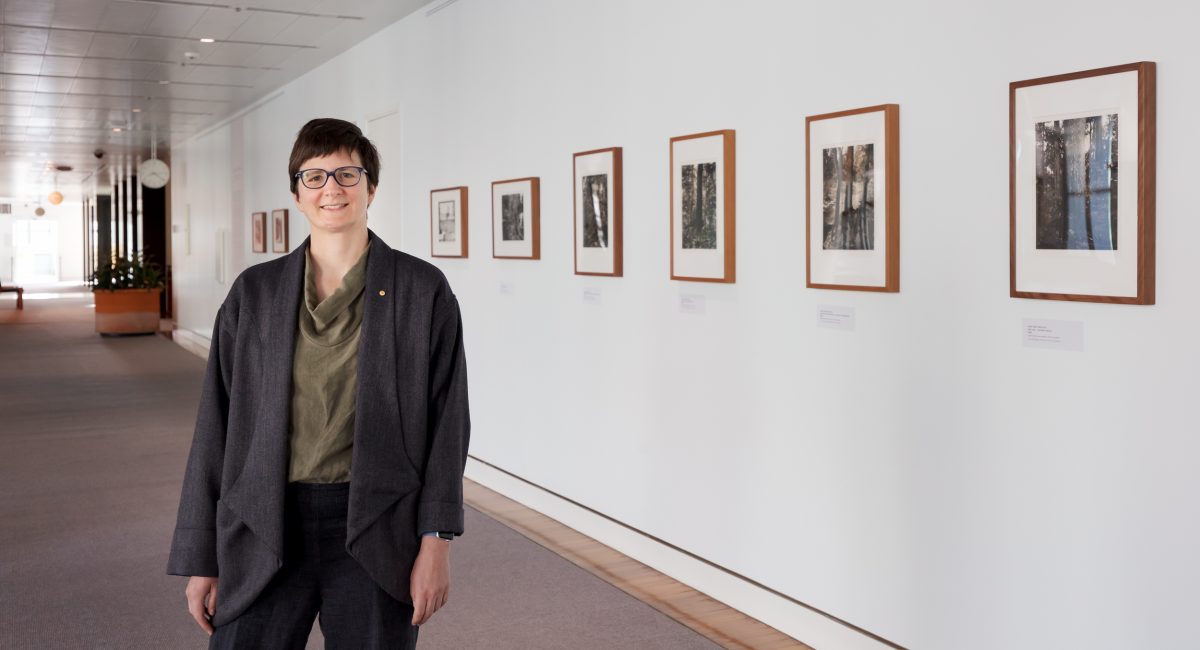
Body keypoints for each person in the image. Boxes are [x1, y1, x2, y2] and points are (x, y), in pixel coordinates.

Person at [167, 118, 470, 649]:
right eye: (315, 176)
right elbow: (216, 426)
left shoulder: (422, 291)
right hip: (264, 520)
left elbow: (449, 426)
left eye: (348, 174)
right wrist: (203, 557)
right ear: (296, 195)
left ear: (371, 188)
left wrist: (436, 544)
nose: (332, 188)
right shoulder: (254, 294)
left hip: (377, 524)